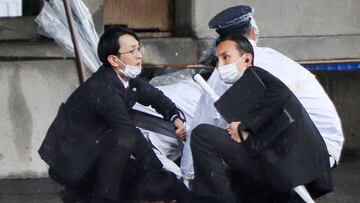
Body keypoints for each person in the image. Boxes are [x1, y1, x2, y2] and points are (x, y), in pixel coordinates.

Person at [181, 5, 344, 179]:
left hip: (299, 155)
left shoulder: (231, 68)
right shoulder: (275, 57)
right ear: (253, 32)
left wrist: (188, 177)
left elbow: (205, 119)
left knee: (206, 136)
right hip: (328, 148)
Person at [38, 27, 187, 203]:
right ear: (114, 60)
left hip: (94, 150)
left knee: (139, 172)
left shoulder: (126, 80)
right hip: (72, 160)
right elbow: (128, 132)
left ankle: (80, 195)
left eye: (139, 48)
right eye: (132, 51)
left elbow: (157, 98)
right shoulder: (104, 89)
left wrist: (176, 118)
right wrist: (157, 170)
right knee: (129, 149)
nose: (139, 55)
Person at [191, 34, 332, 203]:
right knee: (233, 179)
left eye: (226, 58)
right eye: (218, 60)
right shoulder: (244, 89)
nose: (220, 65)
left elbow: (280, 93)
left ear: (246, 59)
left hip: (287, 166)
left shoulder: (255, 75)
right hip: (280, 165)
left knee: (202, 135)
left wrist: (244, 126)